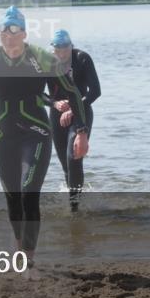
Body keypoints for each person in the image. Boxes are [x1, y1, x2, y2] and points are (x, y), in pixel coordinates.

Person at [0, 6, 89, 267]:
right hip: (4, 134)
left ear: (24, 34)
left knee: (29, 192)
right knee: (12, 196)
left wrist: (81, 132)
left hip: (37, 133)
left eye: (15, 31)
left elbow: (73, 93)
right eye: (4, 31)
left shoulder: (42, 58)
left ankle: (29, 260)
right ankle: (21, 252)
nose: (9, 37)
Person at [46, 29, 101, 212]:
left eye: (66, 48)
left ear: (71, 45)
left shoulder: (82, 59)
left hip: (81, 112)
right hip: (56, 116)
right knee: (66, 165)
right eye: (58, 49)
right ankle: (75, 199)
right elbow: (37, 94)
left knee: (74, 157)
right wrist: (54, 103)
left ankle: (74, 209)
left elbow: (95, 91)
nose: (62, 52)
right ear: (52, 49)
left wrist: (73, 107)